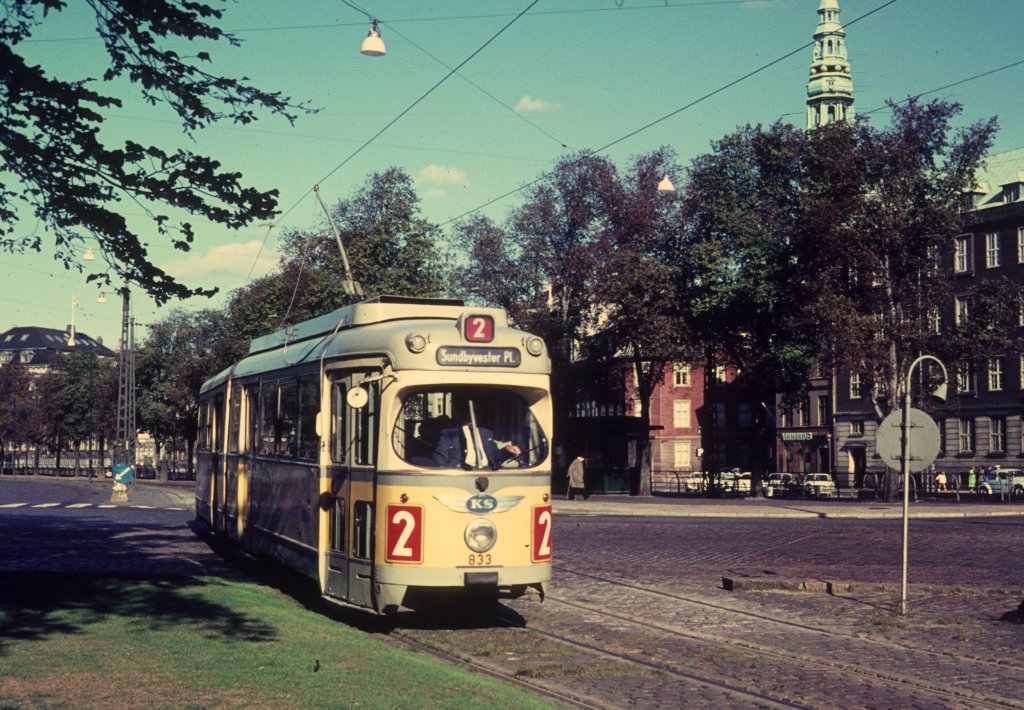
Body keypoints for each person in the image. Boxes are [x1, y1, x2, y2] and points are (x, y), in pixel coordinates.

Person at [432, 403, 521, 469]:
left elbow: (495, 456)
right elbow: (440, 459)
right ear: (461, 415)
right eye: (468, 412)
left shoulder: (486, 433)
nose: (471, 416)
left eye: (474, 413)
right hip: (463, 473)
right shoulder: (450, 434)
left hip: (487, 471)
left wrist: (507, 450)